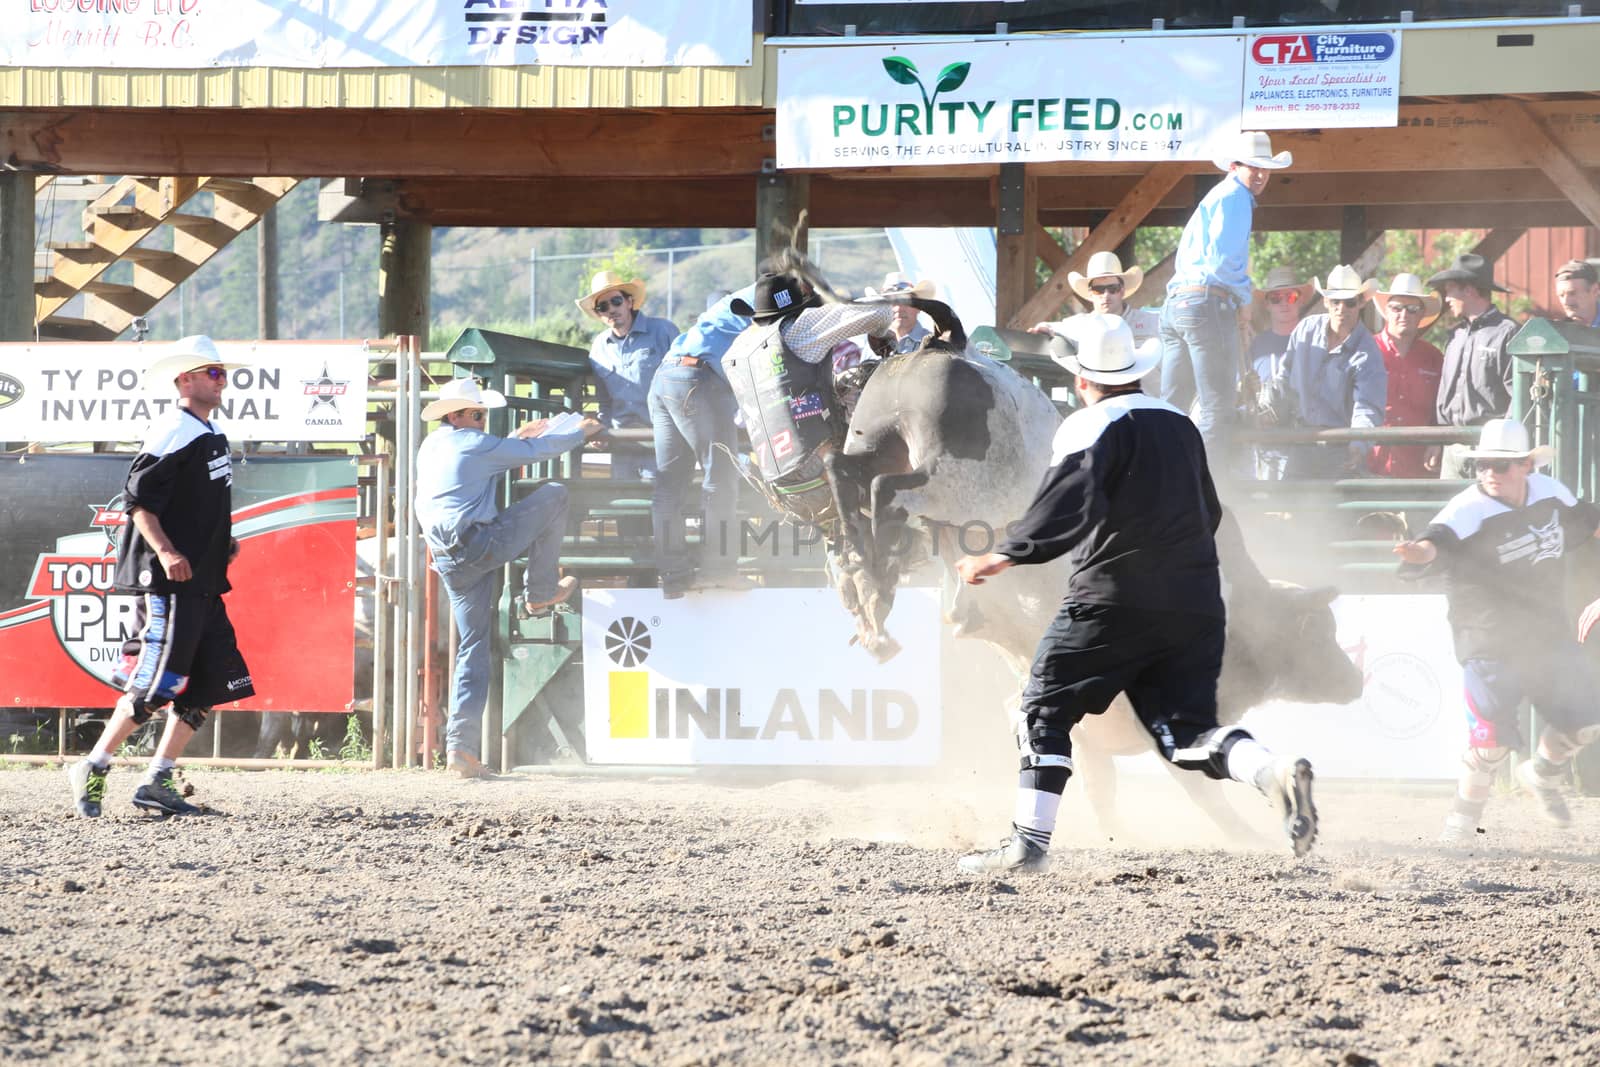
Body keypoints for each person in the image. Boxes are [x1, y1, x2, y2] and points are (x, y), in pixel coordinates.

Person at [952, 314, 1317, 875]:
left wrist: (1001, 555)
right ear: (1136, 371)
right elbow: (1213, 514)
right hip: (1194, 604)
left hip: (1111, 599)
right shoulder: (1180, 423)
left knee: (1041, 706)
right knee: (1186, 733)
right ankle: (1270, 771)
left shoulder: (1087, 426)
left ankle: (1027, 844)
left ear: (1081, 379)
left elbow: (1061, 509)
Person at [66, 336, 256, 818]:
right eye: (212, 372)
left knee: (210, 681)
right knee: (161, 682)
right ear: (185, 380)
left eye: (221, 372)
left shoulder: (206, 431)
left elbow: (196, 505)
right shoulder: (174, 429)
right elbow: (139, 501)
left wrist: (220, 545)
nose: (222, 379)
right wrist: (168, 552)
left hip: (204, 579)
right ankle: (94, 764)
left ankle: (157, 779)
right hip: (167, 580)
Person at [1392, 418, 1600, 845]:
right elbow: (1437, 540)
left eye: (1501, 465)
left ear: (1526, 466)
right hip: (1486, 632)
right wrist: (1418, 552)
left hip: (1544, 628)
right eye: (1483, 463)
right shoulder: (1468, 509)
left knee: (1585, 721)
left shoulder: (1551, 493)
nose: (1490, 472)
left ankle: (1541, 773)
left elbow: (1589, 521)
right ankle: (1460, 826)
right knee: (1490, 741)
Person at [414, 377, 601, 779]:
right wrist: (581, 431)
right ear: (458, 415)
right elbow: (537, 450)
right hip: (476, 544)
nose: (483, 421)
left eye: (483, 415)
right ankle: (541, 591)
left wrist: (513, 438)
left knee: (473, 647)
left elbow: (479, 465)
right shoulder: (472, 443)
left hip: (449, 560)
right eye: (478, 415)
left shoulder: (433, 445)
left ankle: (461, 750)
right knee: (554, 494)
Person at [722, 270, 898, 526]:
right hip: (822, 467)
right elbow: (880, 312)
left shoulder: (736, 351)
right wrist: (881, 331)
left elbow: (783, 391)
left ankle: (845, 553)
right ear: (801, 310)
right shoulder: (797, 329)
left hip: (780, 484)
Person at [1160, 131, 1292, 459]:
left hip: (1178, 303)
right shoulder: (1236, 198)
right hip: (1206, 303)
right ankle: (1208, 494)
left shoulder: (1218, 195)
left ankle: (1159, 478)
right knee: (1216, 409)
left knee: (1171, 407)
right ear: (1235, 166)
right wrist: (1244, 302)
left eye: (1266, 168)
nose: (1261, 174)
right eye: (1253, 167)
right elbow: (1224, 262)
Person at [649, 285, 754, 598]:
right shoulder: (749, 322)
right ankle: (718, 570)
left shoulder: (703, 327)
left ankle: (673, 576)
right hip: (696, 381)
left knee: (668, 485)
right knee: (720, 477)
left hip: (665, 379)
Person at [1271, 264, 1387, 478]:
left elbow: (1367, 406)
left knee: (1333, 509)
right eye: (1335, 301)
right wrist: (1270, 407)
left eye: (1349, 302)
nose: (1341, 308)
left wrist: (1358, 445)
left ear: (1360, 303)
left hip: (1339, 448)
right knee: (1287, 505)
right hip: (1300, 441)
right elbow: (1283, 379)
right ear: (1326, 302)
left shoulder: (1368, 352)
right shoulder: (1305, 330)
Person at [577, 270, 677, 483]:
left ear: (629, 302)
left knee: (660, 504)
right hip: (620, 442)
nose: (611, 310)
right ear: (599, 314)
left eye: (616, 301)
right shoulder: (598, 347)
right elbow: (604, 400)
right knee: (623, 503)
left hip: (660, 438)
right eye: (603, 306)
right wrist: (600, 429)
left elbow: (683, 383)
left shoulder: (664, 331)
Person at [1430, 253, 1518, 479]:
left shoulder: (1507, 333)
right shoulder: (1455, 335)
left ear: (1468, 290)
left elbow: (1518, 396)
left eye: (1450, 289)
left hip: (1488, 449)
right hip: (1452, 448)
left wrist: (1500, 448)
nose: (1446, 298)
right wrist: (1437, 440)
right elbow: (1443, 394)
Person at [1369, 273, 1445, 478]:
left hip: (1418, 465)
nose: (1404, 314)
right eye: (1396, 308)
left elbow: (1443, 407)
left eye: (1412, 309)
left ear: (1421, 315)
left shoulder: (1434, 357)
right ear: (1386, 311)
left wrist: (1438, 441)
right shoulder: (1366, 350)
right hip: (1370, 463)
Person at [1246, 266, 1313, 478]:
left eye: (1291, 296)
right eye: (1276, 298)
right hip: (1265, 447)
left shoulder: (1314, 343)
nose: (1284, 303)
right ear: (1267, 304)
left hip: (1305, 445)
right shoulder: (1256, 346)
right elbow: (1243, 393)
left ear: (1300, 301)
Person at [864, 272, 932, 355]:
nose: (899, 308)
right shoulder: (870, 346)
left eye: (906, 301)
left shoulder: (934, 345)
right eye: (892, 302)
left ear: (919, 307)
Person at [1554, 258, 1600, 328]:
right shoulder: (1558, 332)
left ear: (1595, 291)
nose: (1566, 302)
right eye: (1561, 295)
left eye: (1572, 293)